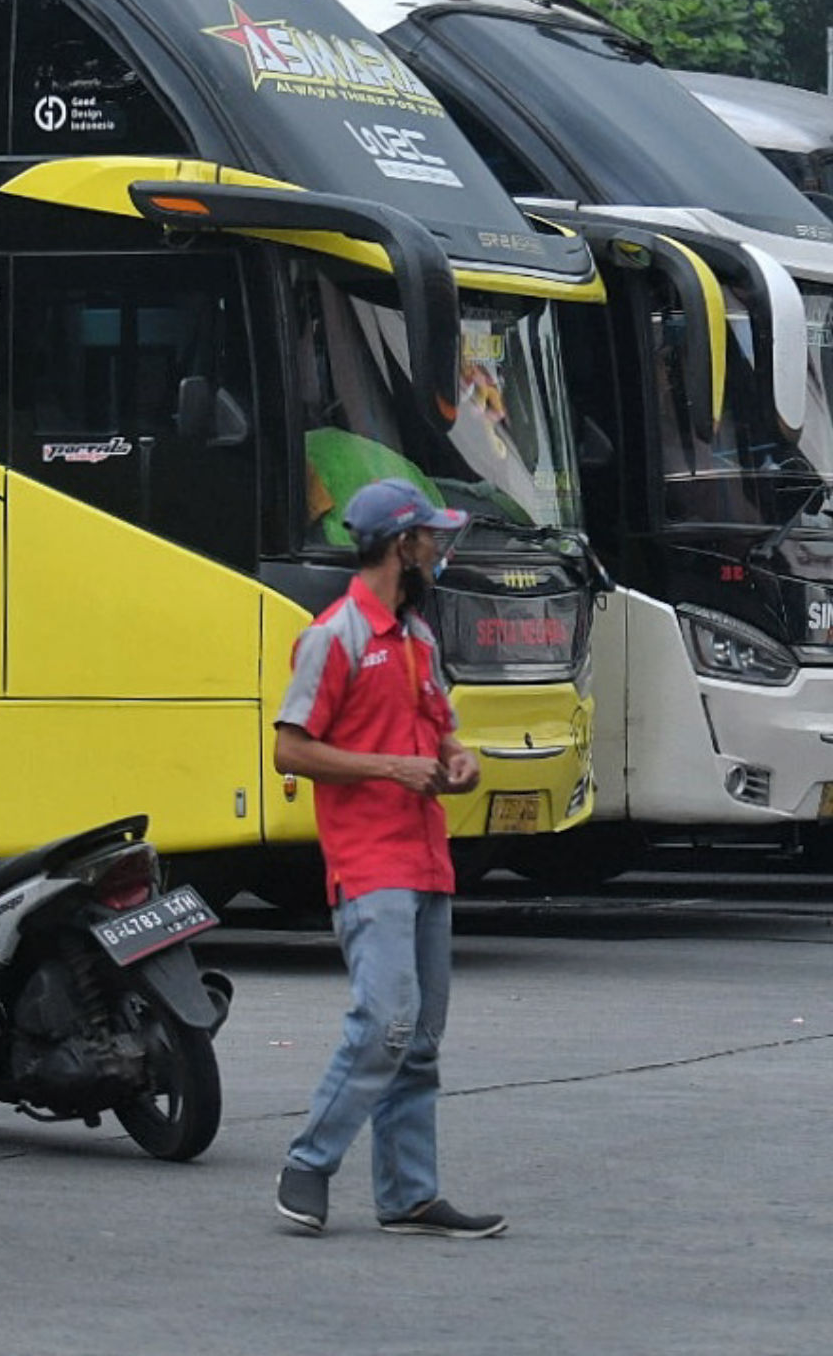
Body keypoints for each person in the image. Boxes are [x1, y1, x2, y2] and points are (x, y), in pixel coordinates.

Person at [272, 478, 504, 1241]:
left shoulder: (417, 639)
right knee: (385, 1025)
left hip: (428, 859)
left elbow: (441, 731)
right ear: (401, 546)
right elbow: (290, 750)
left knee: (420, 1042)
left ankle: (408, 1195)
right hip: (370, 862)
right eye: (429, 536)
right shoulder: (332, 636)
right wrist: (390, 768)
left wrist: (457, 759)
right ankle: (309, 1162)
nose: (438, 549)